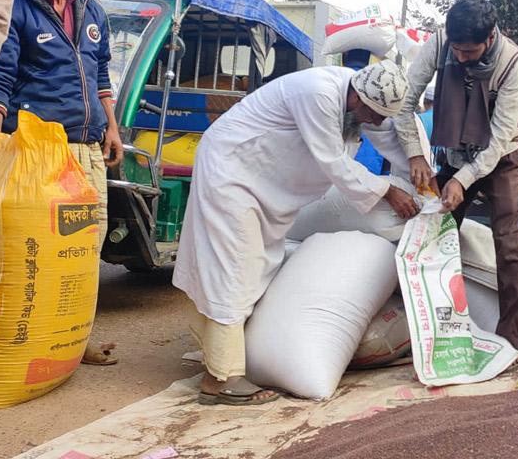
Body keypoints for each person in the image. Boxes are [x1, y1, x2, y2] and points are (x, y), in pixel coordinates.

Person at [173, 61, 417, 405]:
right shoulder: (318, 92)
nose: (375, 124)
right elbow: (333, 162)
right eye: (373, 115)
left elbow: (387, 136)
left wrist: (419, 167)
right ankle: (221, 379)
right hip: (232, 172)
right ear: (359, 98)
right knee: (234, 268)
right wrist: (388, 190)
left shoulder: (357, 100)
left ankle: (227, 359)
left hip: (260, 183)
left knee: (257, 266)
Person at [0, 0, 123, 365]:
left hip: (88, 150)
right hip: (37, 152)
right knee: (34, 252)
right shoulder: (11, 5)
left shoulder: (90, 8)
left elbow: (99, 73)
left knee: (83, 250)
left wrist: (112, 126)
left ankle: (72, 340)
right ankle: (29, 342)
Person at [393, 0, 518, 362]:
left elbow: (501, 136)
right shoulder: (439, 45)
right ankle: (429, 327)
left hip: (498, 159)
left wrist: (463, 180)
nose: (461, 59)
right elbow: (405, 105)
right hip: (454, 152)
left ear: (489, 40)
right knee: (436, 232)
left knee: (509, 242)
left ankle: (513, 338)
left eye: (469, 52)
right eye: (457, 51)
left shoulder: (513, 63)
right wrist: (416, 153)